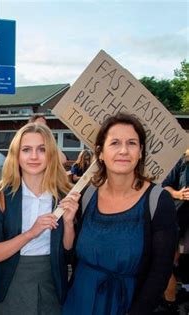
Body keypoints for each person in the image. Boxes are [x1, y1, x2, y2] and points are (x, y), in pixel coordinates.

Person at [62, 113, 178, 314]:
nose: (124, 150)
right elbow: (71, 257)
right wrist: (68, 224)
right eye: (114, 143)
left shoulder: (158, 201)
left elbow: (160, 272)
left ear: (140, 152)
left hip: (126, 306)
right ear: (100, 152)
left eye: (132, 143)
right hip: (78, 302)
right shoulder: (87, 196)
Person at [0, 122, 79, 314]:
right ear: (16, 155)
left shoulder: (65, 196)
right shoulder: (0, 196)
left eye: (41, 149)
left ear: (51, 154)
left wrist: (69, 224)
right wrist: (31, 233)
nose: (34, 156)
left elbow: (69, 254)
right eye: (26, 149)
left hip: (52, 282)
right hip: (11, 284)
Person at [156, 149, 189, 312]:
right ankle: (170, 303)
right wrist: (177, 193)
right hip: (180, 220)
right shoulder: (183, 161)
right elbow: (164, 185)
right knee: (167, 262)